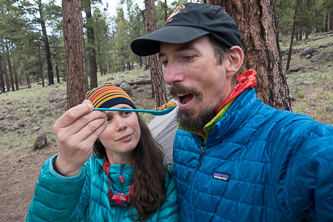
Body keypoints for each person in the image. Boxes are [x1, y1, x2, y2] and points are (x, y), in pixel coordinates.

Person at [130, 3, 333, 221]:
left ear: (231, 61)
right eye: (165, 62)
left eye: (187, 57)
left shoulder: (289, 144)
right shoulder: (185, 138)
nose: (169, 76)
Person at [26, 82, 179, 221]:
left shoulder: (165, 177)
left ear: (137, 117)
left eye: (125, 113)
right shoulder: (83, 177)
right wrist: (65, 167)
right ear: (95, 134)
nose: (121, 125)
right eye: (107, 119)